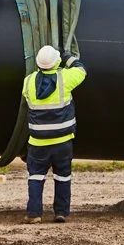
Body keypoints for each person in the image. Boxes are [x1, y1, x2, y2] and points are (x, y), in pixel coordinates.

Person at [22, 43, 87, 223]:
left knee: (35, 177)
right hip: (62, 141)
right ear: (56, 61)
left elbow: (26, 98)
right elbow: (82, 70)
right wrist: (68, 58)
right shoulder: (65, 79)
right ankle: (61, 212)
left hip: (37, 142)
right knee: (63, 176)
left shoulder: (28, 82)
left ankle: (34, 214)